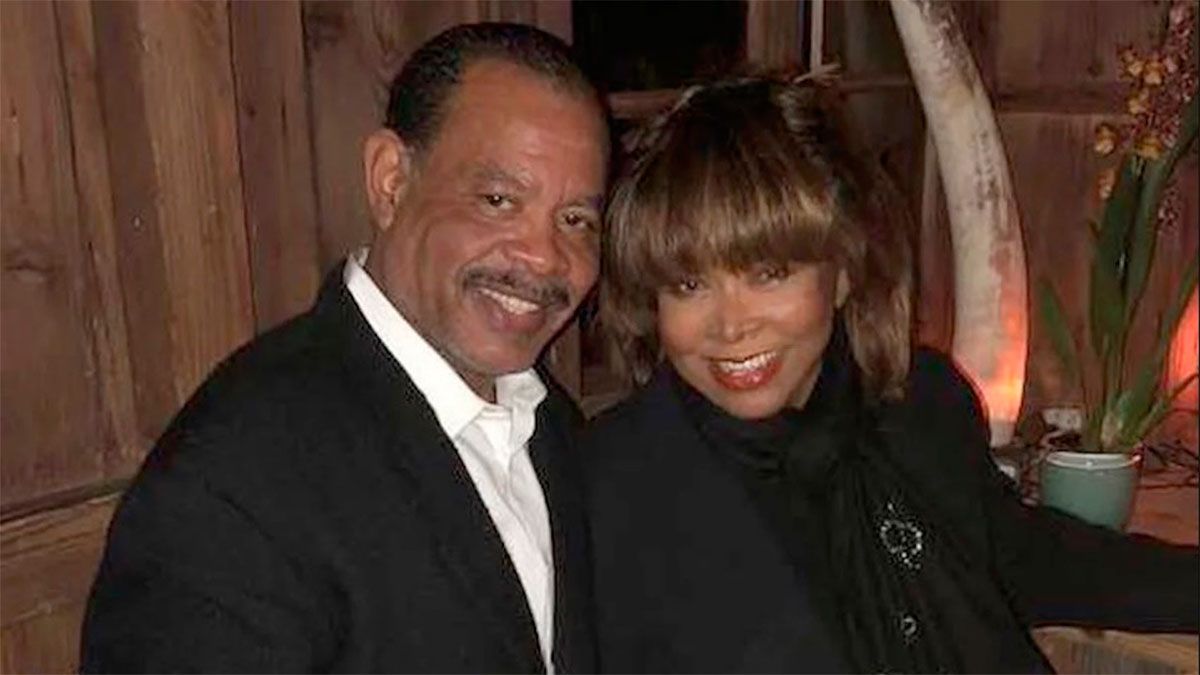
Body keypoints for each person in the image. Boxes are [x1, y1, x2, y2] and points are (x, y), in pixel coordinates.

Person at [581, 74, 1198, 674]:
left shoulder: (915, 401)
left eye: (769, 273)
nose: (730, 325)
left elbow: (1017, 553)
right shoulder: (617, 485)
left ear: (843, 271)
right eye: (688, 285)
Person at [81, 23, 607, 673]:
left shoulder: (546, 420)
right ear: (390, 182)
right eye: (498, 200)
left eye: (576, 220)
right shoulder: (232, 480)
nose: (545, 257)